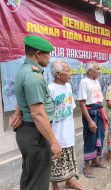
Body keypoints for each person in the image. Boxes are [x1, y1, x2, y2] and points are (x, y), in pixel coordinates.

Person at [9, 35, 62, 190]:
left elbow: (24, 97)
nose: (49, 57)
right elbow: (38, 115)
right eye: (48, 53)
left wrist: (18, 110)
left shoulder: (24, 70)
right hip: (35, 135)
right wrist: (54, 142)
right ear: (38, 54)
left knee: (30, 176)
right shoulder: (33, 77)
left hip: (29, 132)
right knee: (37, 182)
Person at [48, 60, 84, 190]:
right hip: (56, 132)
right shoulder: (50, 89)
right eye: (67, 71)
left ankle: (69, 181)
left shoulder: (68, 87)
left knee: (69, 155)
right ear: (58, 74)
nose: (71, 74)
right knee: (55, 160)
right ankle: (55, 185)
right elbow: (47, 115)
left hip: (68, 129)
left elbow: (71, 106)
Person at [78, 61, 108, 178]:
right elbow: (82, 103)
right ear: (90, 71)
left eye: (99, 69)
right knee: (90, 138)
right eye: (97, 69)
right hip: (90, 113)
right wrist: (89, 120)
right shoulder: (84, 82)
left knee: (99, 136)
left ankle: (95, 161)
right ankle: (87, 166)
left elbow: (100, 101)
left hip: (99, 112)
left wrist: (104, 114)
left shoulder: (97, 82)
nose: (99, 71)